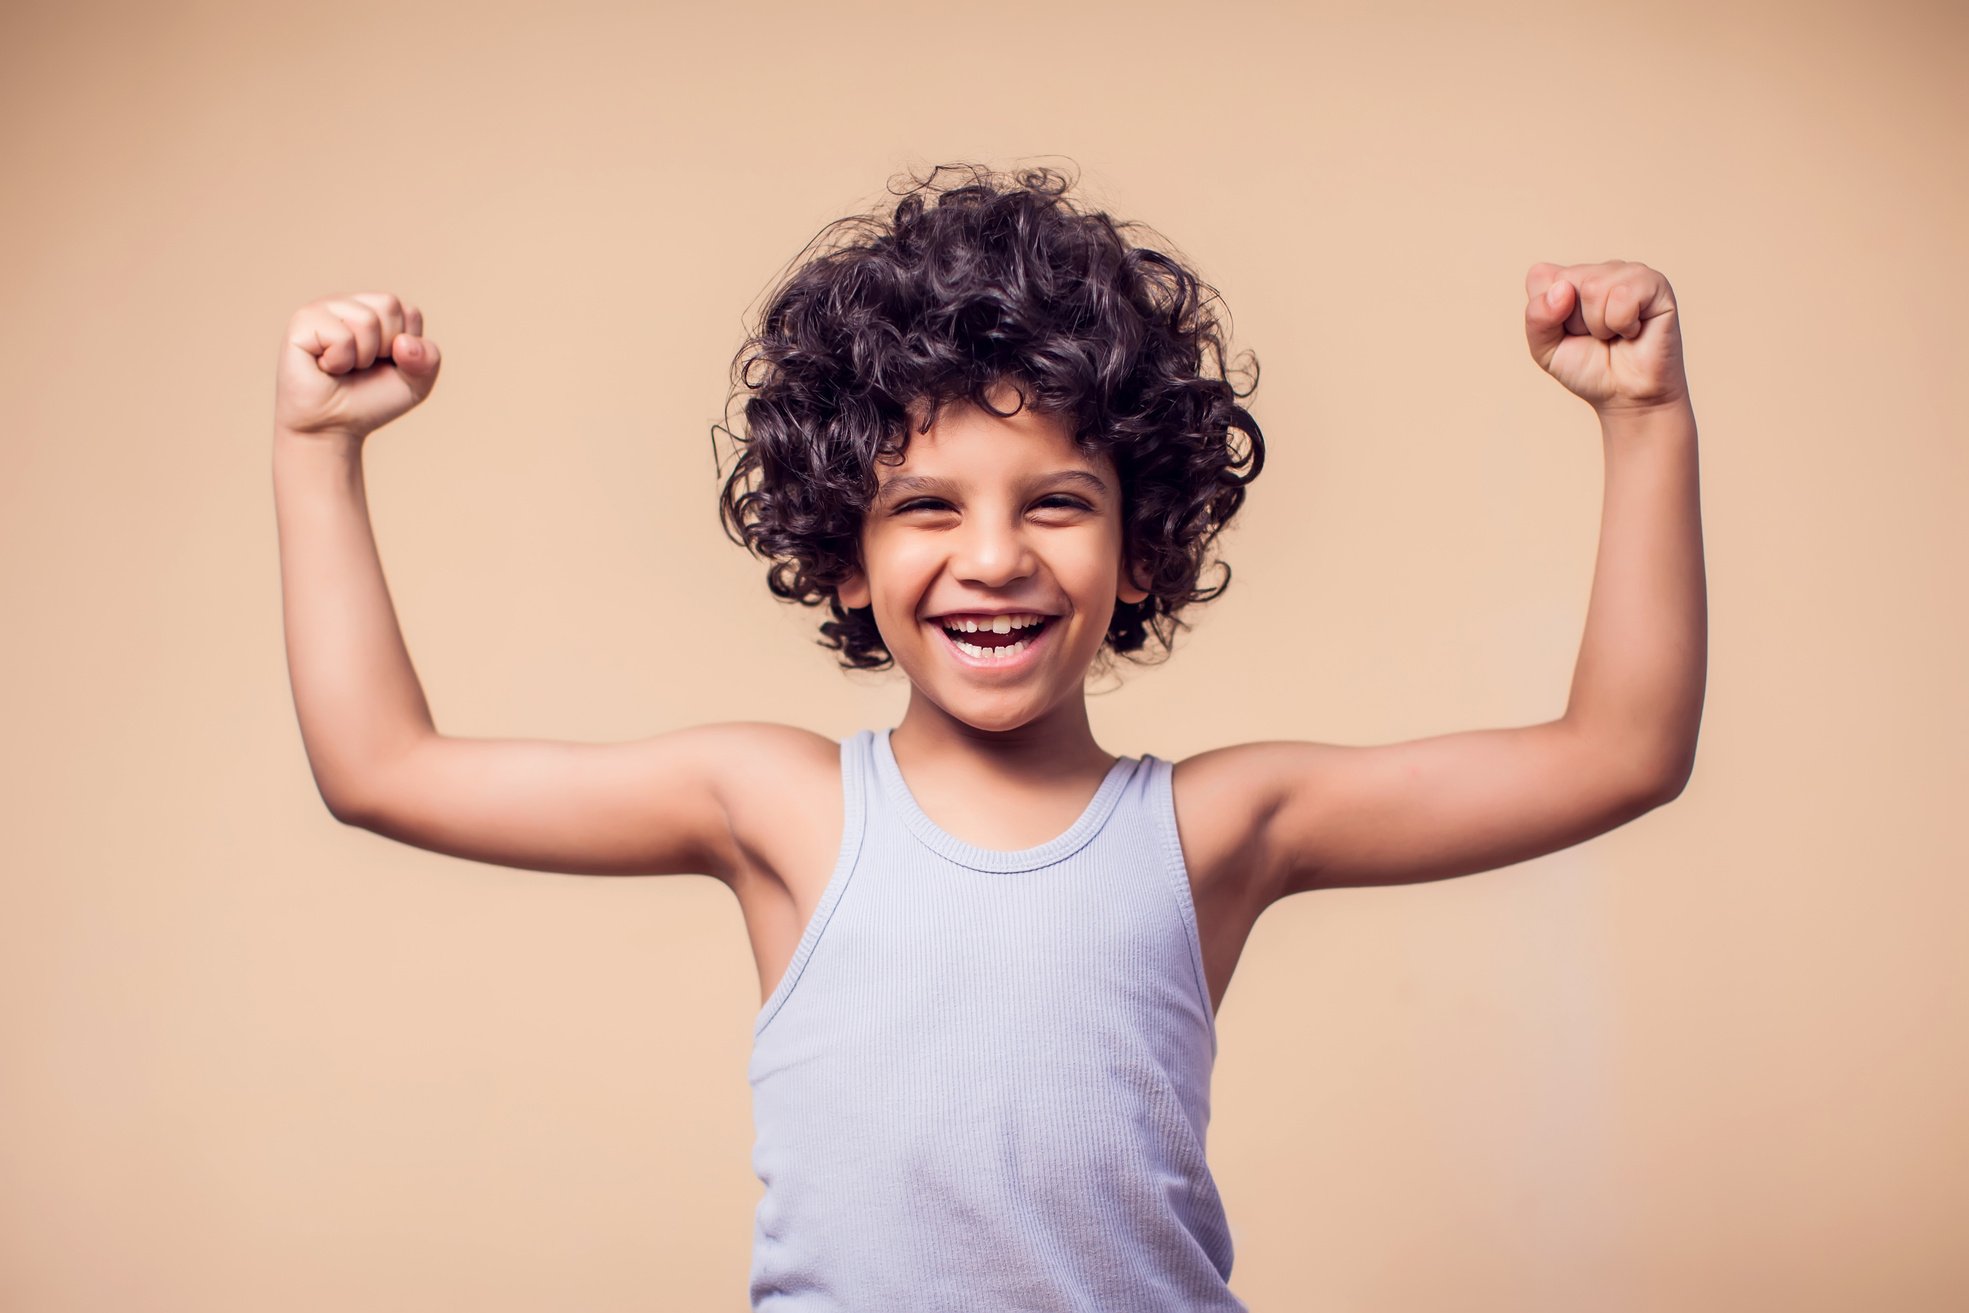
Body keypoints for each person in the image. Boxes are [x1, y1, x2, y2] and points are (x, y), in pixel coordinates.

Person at [271, 162, 1706, 1311]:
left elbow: (1620, 748)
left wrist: (1643, 417)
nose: (995, 555)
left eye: (1057, 502)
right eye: (926, 506)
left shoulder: (1214, 829)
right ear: (843, 551)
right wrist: (318, 450)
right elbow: (382, 769)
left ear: (1144, 548)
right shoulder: (776, 806)